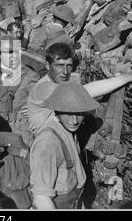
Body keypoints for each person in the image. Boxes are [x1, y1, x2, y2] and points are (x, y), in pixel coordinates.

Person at [28, 81, 100, 209]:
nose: (74, 121)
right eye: (68, 113)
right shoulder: (48, 143)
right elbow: (41, 198)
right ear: (56, 110)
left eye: (79, 113)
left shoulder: (70, 132)